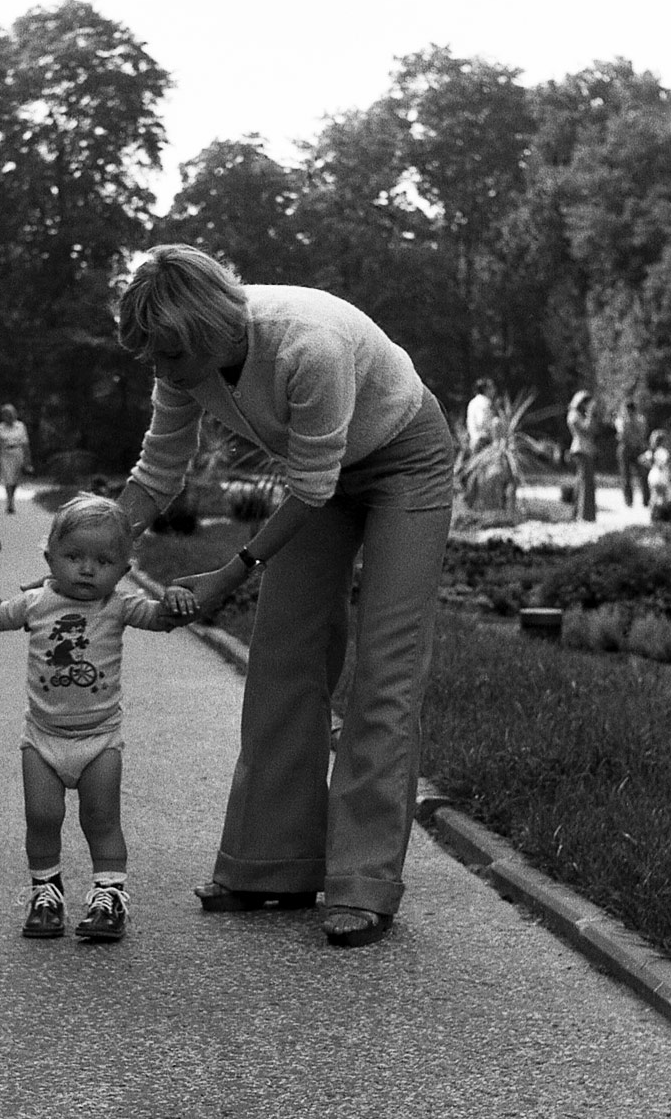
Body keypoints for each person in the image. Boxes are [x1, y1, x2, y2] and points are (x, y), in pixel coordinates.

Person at [116, 244, 455, 950]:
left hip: (404, 460)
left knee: (385, 673)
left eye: (167, 359)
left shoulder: (309, 342)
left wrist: (228, 572)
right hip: (319, 473)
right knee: (281, 655)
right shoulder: (181, 361)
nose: (159, 374)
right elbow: (158, 470)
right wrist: (91, 552)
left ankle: (364, 881)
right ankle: (272, 863)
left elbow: (309, 488)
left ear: (208, 333)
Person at [0, 493, 197, 942]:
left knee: (101, 819)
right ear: (49, 557)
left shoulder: (120, 605)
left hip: (100, 740)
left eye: (103, 561)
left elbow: (163, 619)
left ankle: (109, 898)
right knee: (41, 816)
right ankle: (45, 894)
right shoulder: (35, 603)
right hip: (42, 738)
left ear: (124, 569)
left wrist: (176, 598)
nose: (87, 569)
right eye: (73, 557)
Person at [0, 404, 31, 514]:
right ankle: (10, 501)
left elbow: (25, 443)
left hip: (17, 452)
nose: (9, 417)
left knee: (15, 478)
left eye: (10, 414)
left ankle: (12, 496)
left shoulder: (20, 426)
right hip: (5, 453)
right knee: (8, 478)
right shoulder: (0, 427)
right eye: (6, 415)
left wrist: (27, 459)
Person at [566, 389, 598, 522]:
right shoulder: (574, 415)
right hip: (581, 450)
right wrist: (590, 414)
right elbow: (585, 430)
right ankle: (585, 515)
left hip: (586, 450)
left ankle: (578, 513)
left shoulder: (580, 415)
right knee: (587, 483)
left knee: (581, 483)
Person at [614, 398, 650, 508]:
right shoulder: (621, 420)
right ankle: (628, 500)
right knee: (626, 476)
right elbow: (621, 434)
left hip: (638, 448)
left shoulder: (640, 419)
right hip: (625, 448)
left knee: (643, 475)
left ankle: (646, 500)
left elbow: (642, 434)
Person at [465, 378, 496, 454]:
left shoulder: (473, 402)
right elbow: (481, 421)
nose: (494, 390)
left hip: (473, 441)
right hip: (483, 441)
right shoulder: (485, 402)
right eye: (492, 387)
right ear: (486, 389)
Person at [642, 429, 671, 510]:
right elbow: (664, 462)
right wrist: (660, 465)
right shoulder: (663, 451)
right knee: (664, 497)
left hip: (653, 475)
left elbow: (641, 459)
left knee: (654, 496)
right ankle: (662, 513)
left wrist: (650, 465)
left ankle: (652, 511)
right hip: (661, 477)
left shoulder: (651, 451)